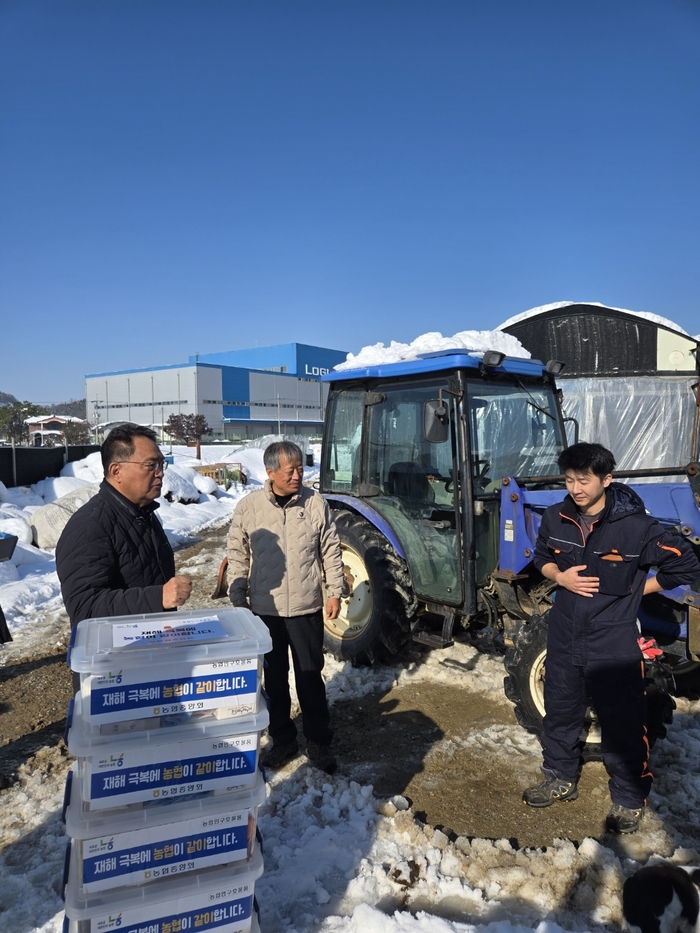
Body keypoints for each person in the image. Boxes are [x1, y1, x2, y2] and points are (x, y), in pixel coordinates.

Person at [523, 442, 700, 833]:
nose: (575, 489)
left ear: (607, 479)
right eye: (569, 480)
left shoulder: (637, 528)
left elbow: (686, 565)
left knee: (622, 723)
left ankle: (628, 799)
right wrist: (559, 576)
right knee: (560, 712)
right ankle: (559, 776)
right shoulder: (555, 517)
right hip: (564, 632)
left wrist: (638, 590)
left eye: (584, 480)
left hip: (612, 637)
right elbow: (541, 556)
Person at [227, 440, 344, 774]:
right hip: (267, 610)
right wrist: (238, 596)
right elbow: (237, 552)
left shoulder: (315, 503)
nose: (297, 475)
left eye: (300, 469)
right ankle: (283, 740)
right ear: (270, 472)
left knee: (310, 677)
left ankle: (318, 740)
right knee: (275, 679)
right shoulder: (249, 507)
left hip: (306, 608)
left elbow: (330, 549)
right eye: (290, 470)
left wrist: (335, 591)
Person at [56, 424, 192, 633]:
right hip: (114, 650)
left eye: (161, 464)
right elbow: (84, 608)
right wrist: (158, 597)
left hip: (149, 642)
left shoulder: (142, 513)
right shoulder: (90, 526)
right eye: (151, 465)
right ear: (116, 471)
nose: (160, 473)